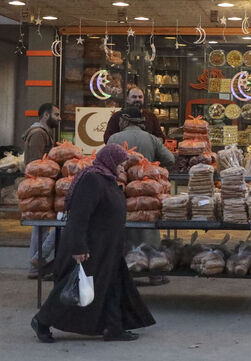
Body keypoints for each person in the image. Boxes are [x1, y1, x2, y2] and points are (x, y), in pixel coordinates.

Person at [31, 143, 155, 343]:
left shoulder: (107, 179)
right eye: (121, 164)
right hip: (92, 247)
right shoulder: (92, 180)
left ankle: (114, 328)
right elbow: (79, 216)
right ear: (110, 160)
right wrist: (79, 247)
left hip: (108, 247)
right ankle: (42, 320)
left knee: (113, 286)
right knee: (75, 289)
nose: (123, 168)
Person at [108, 105, 174, 285]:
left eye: (121, 119)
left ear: (126, 120)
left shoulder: (114, 138)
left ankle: (125, 270)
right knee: (149, 230)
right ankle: (155, 272)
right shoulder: (152, 139)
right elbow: (170, 159)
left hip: (123, 192)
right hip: (148, 193)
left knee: (124, 229)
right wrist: (151, 165)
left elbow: (107, 162)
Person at [22, 103, 61, 279]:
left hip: (41, 186)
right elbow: (35, 163)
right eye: (57, 115)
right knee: (40, 227)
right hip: (38, 187)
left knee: (42, 227)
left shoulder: (43, 133)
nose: (59, 118)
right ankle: (35, 265)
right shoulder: (38, 134)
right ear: (46, 115)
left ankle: (37, 264)